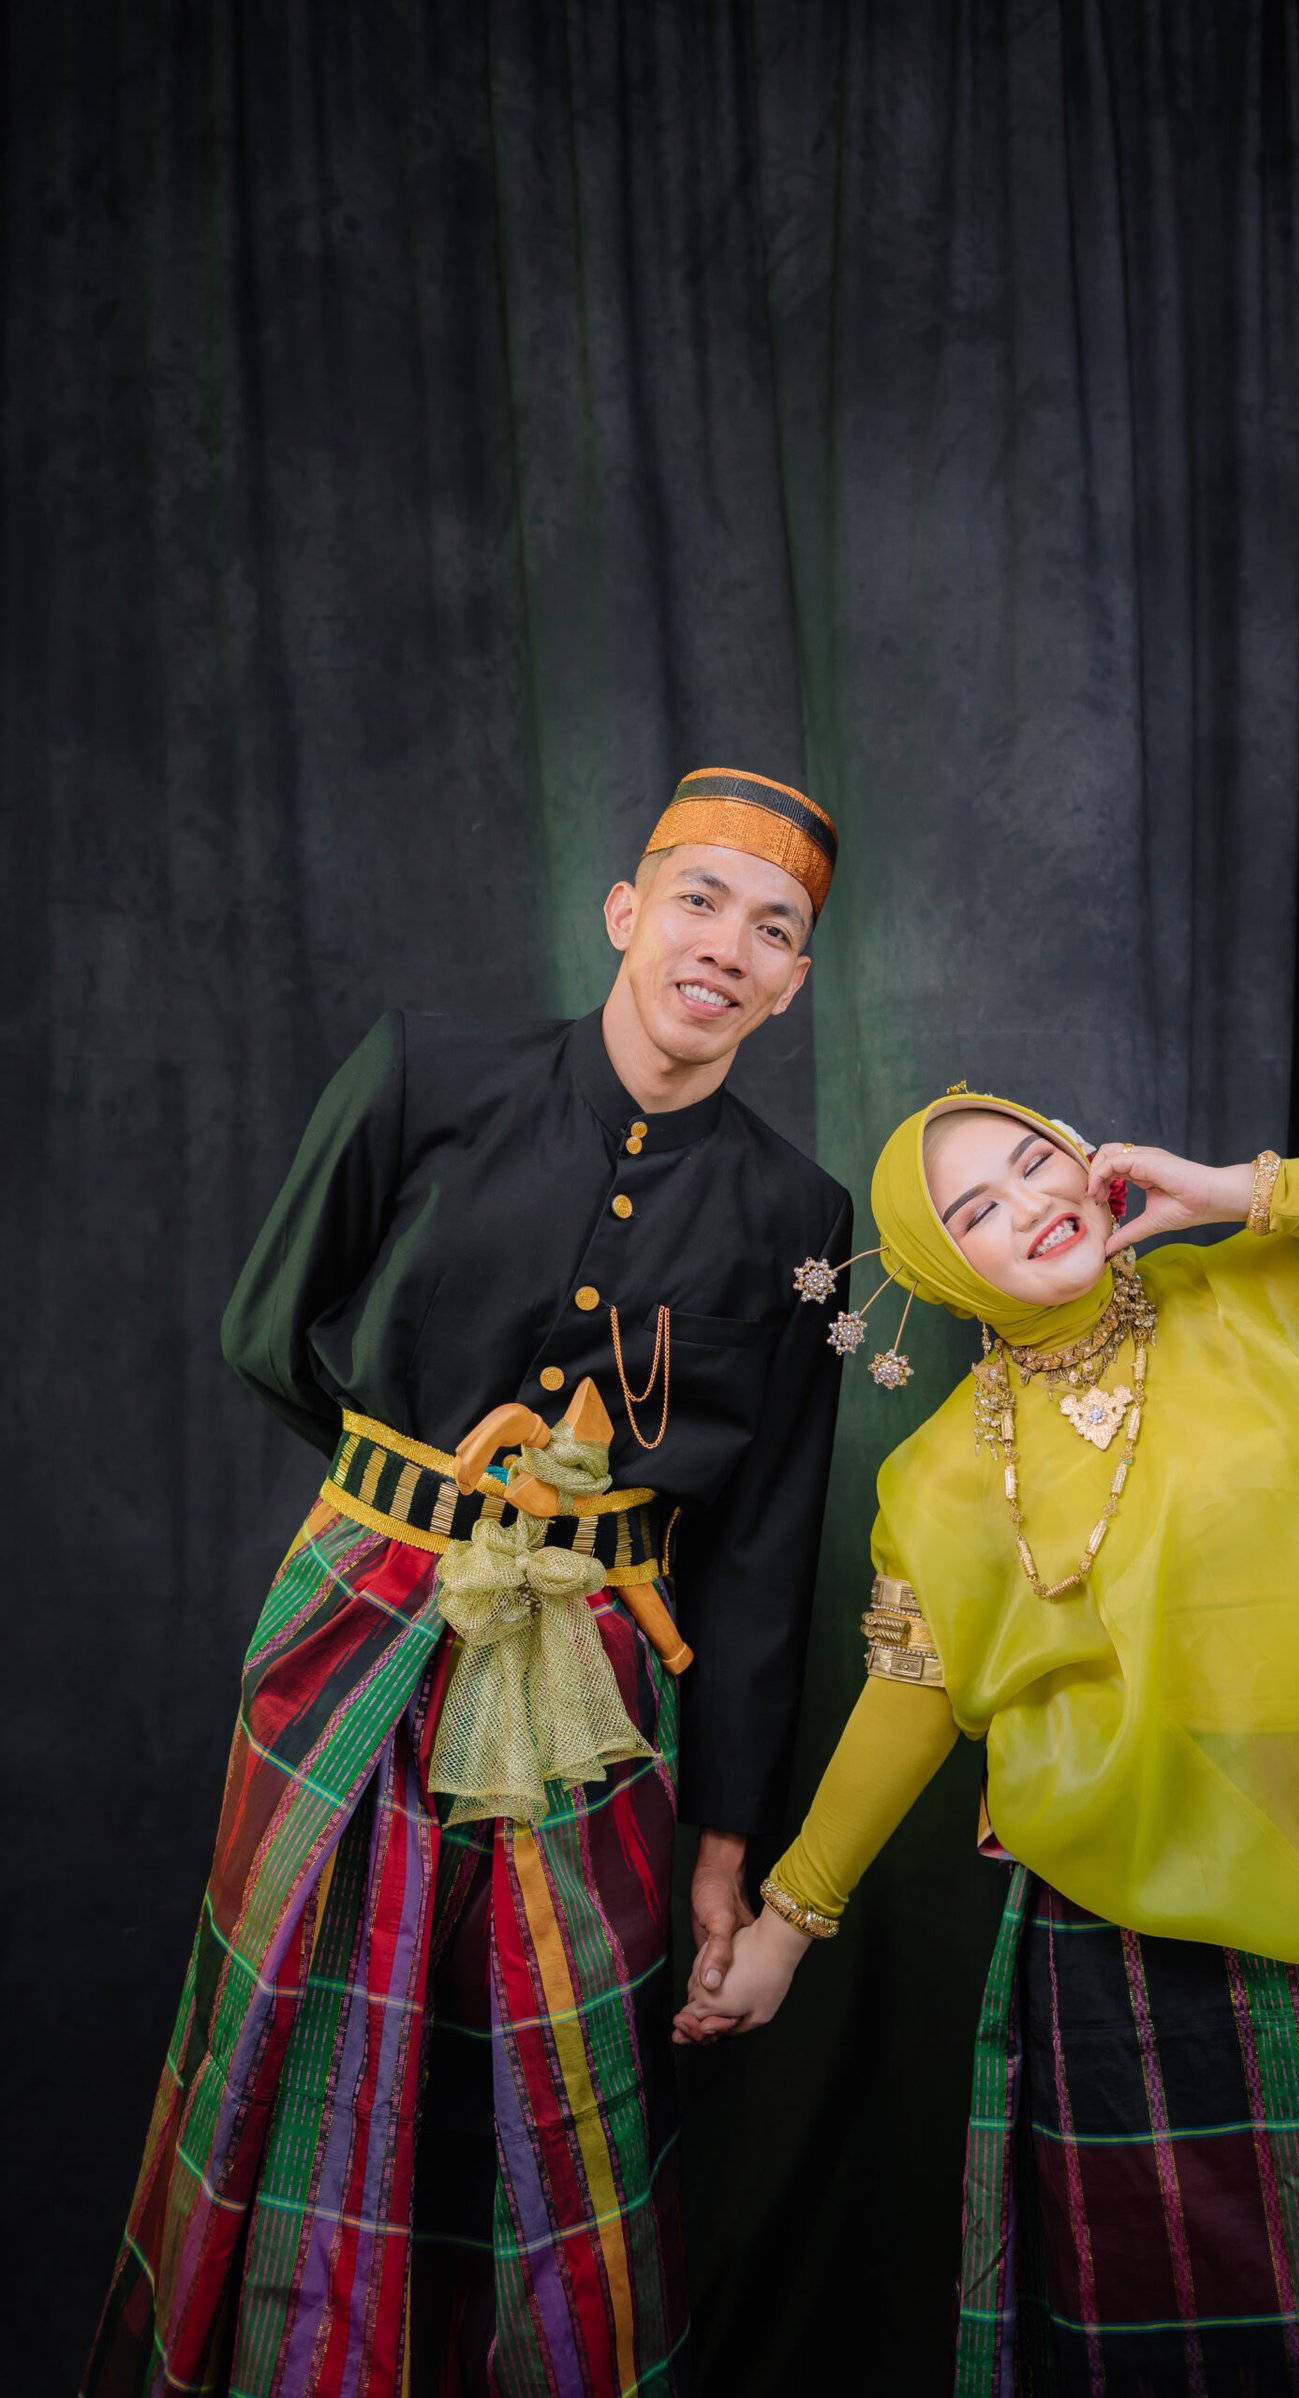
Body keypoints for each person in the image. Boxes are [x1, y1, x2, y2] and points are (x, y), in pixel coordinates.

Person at [85, 767, 851, 2398]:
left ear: (793, 983)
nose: (727, 945)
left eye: (774, 928)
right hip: (360, 1626)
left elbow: (762, 1550)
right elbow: (268, 1325)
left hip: (603, 1693)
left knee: (551, 2078)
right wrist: (417, 1512)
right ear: (625, 911)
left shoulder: (800, 1218)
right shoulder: (423, 1071)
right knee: (305, 2026)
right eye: (698, 898)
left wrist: (729, 1844)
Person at [677, 1098, 1299, 2395]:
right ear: (941, 1270)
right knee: (1162, 2313)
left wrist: (1227, 1190)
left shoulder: (1261, 1288)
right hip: (1111, 1921)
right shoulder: (939, 1476)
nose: (1031, 1202)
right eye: (977, 1210)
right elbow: (910, 1701)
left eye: (1037, 1159)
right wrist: (786, 1928)